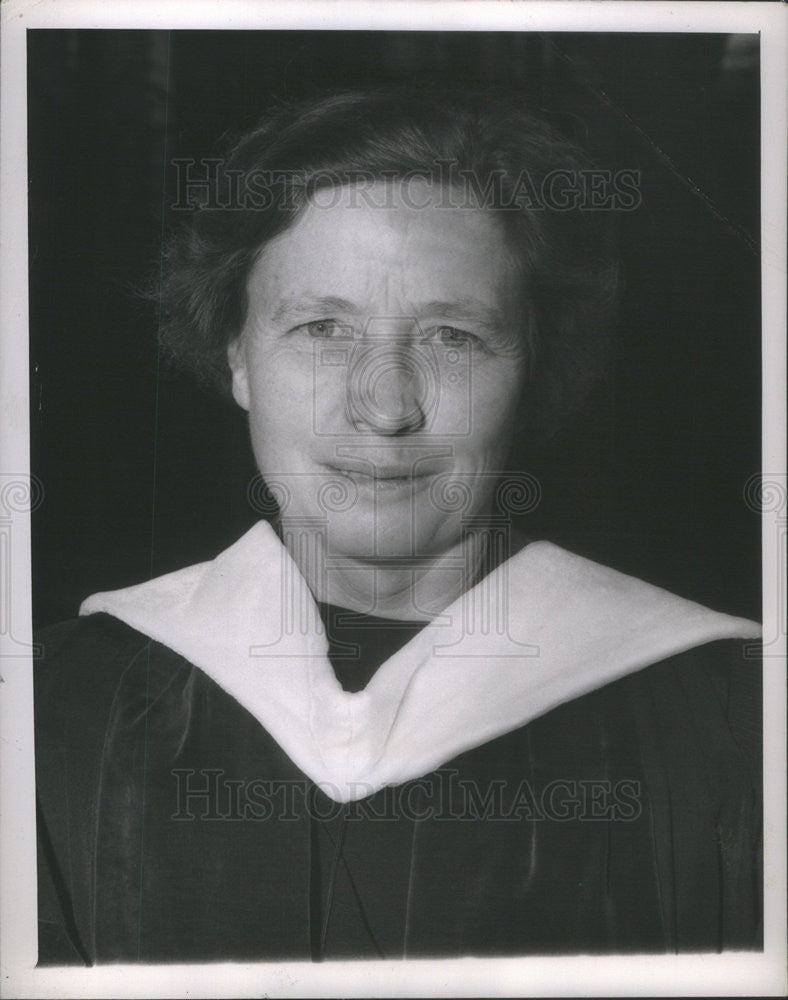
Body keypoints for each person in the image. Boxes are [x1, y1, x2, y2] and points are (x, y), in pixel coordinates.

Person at [34, 88, 762, 964]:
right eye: (322, 328)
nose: (385, 407)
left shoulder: (733, 723)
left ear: (532, 370)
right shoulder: (51, 710)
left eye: (452, 337)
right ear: (236, 356)